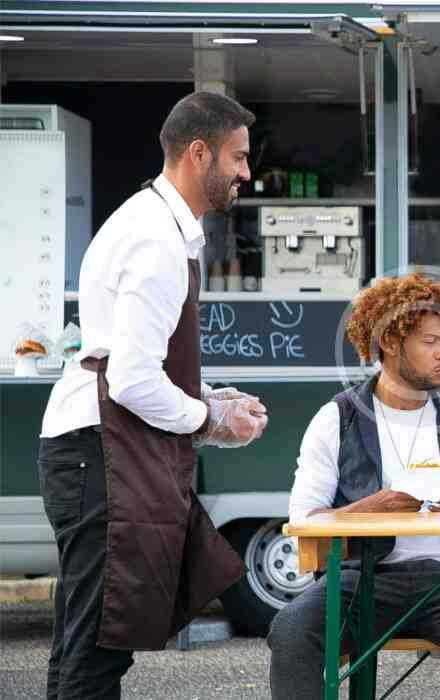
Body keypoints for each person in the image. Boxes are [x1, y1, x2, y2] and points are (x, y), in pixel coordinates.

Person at [38, 91, 269, 699]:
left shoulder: (155, 222)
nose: (247, 173)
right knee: (97, 648)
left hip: (94, 449)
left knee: (86, 645)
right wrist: (212, 420)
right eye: (238, 157)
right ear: (199, 153)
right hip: (99, 454)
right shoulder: (157, 240)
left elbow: (131, 358)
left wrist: (212, 397)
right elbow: (134, 380)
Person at [267, 273, 440, 699]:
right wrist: (374, 508)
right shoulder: (337, 418)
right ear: (390, 341)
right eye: (431, 342)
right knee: (292, 630)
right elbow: (303, 519)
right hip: (362, 578)